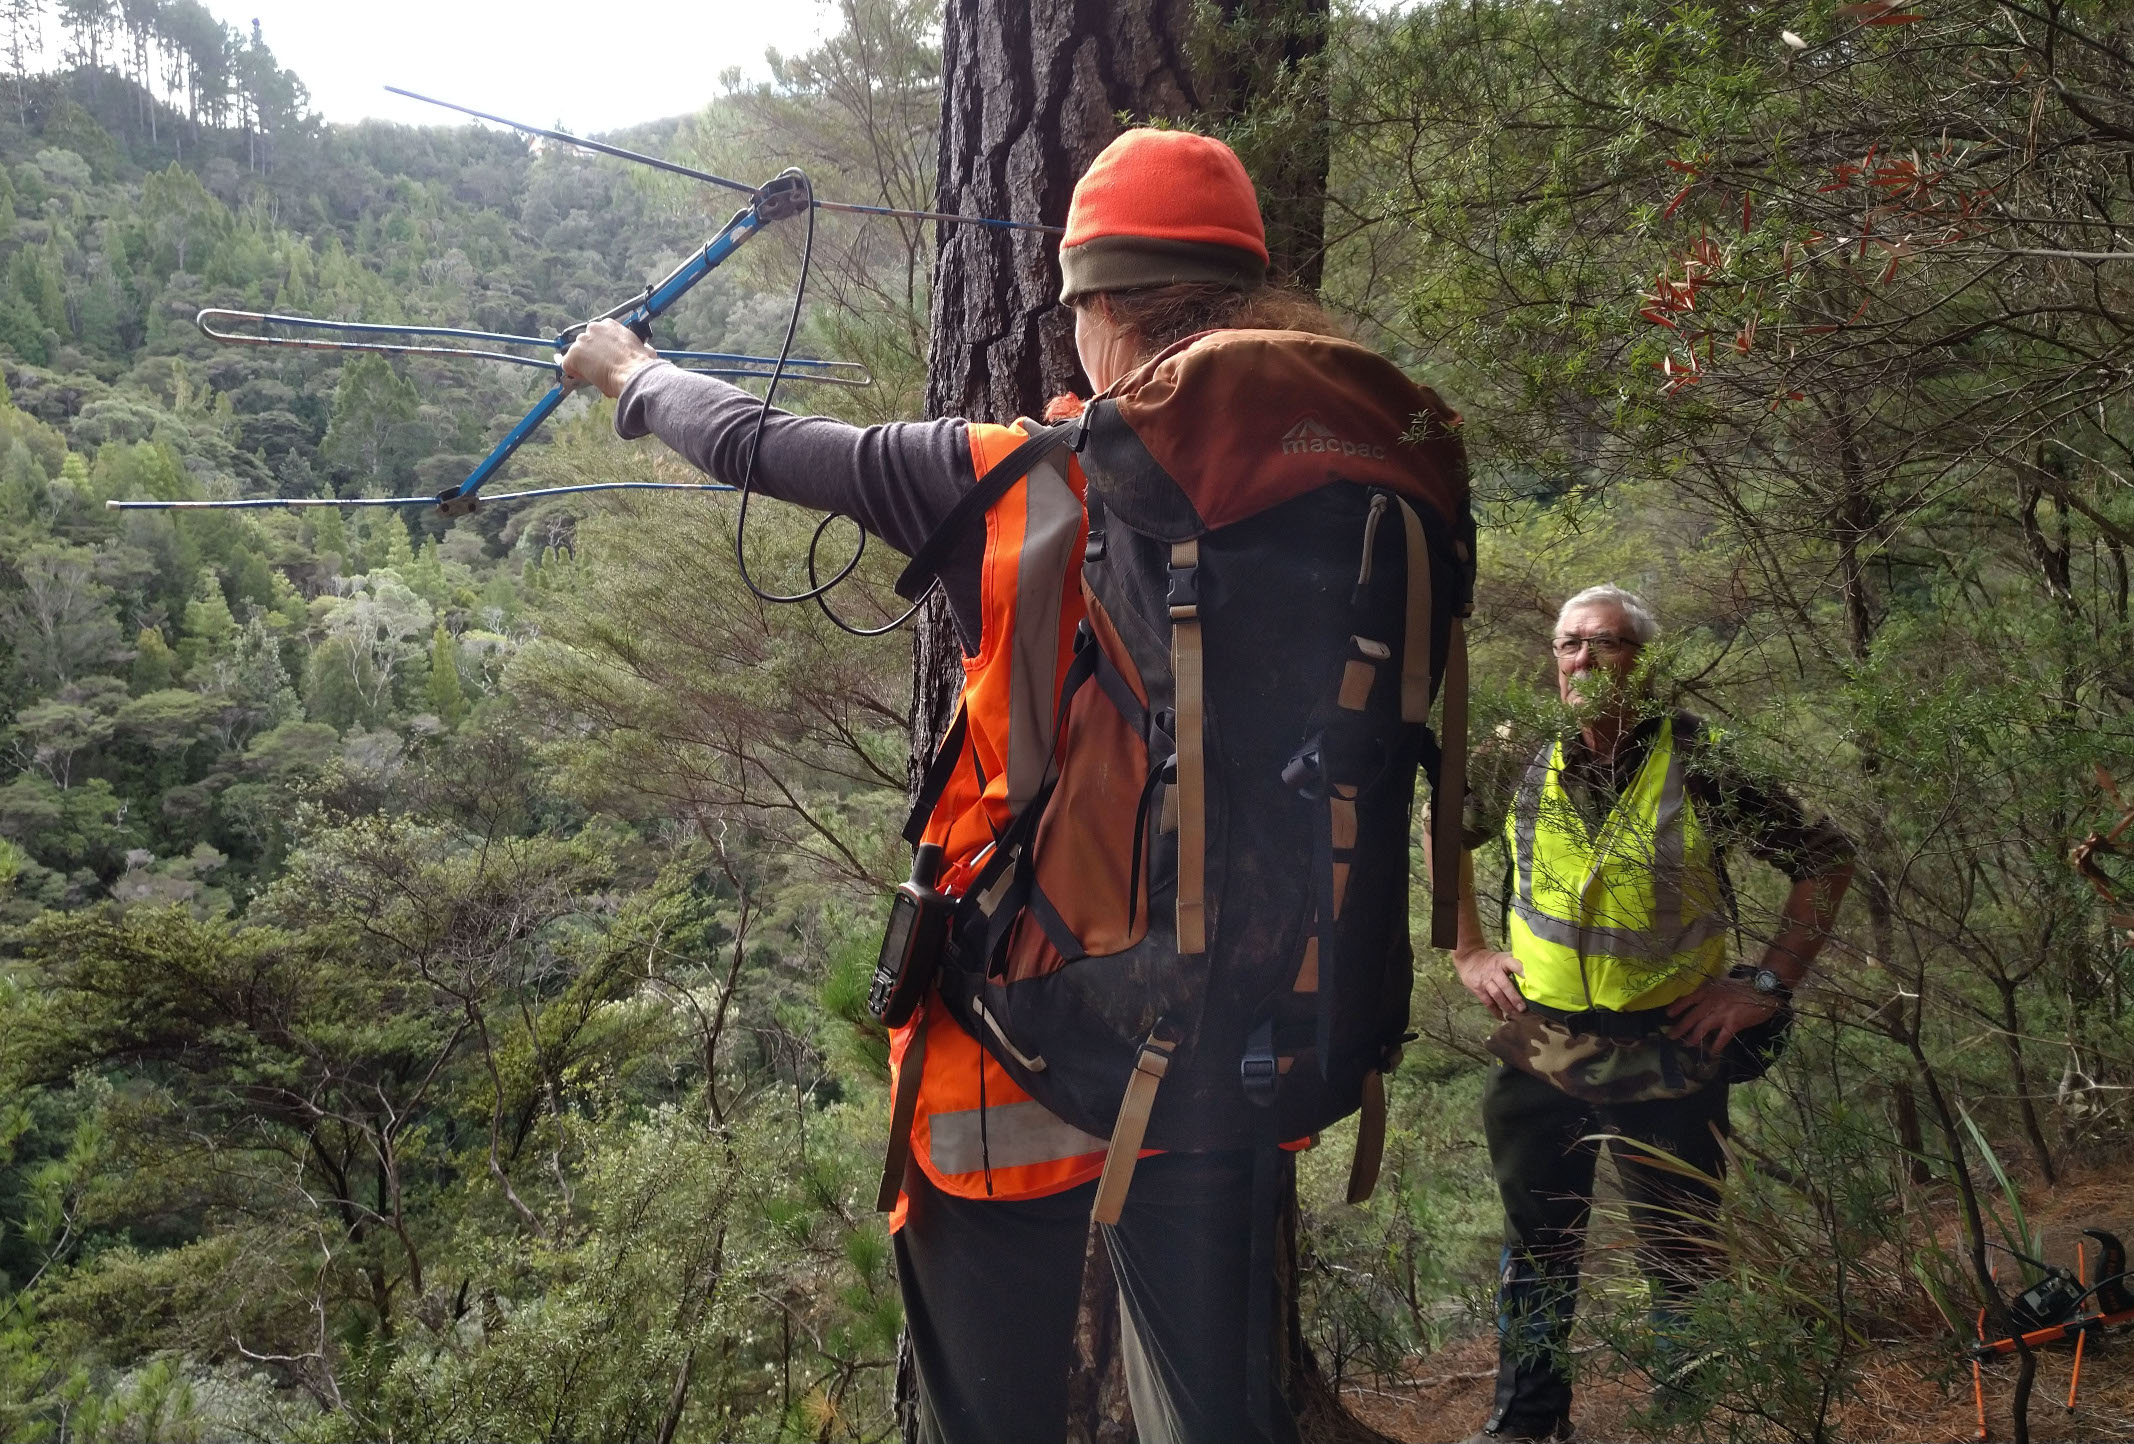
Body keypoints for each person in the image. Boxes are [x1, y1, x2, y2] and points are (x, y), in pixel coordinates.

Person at [561, 129, 1461, 1444]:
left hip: (1016, 1044)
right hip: (1245, 1037)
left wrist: (628, 373)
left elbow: (760, 442)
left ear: (1098, 309)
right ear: (1254, 304)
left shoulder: (1031, 484)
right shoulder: (1367, 488)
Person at [1446, 584, 1854, 1444]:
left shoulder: (1703, 762)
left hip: (1669, 1044)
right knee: (1537, 1245)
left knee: (1680, 1252)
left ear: (1647, 661)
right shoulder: (1514, 754)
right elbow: (1444, 829)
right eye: (1569, 646)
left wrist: (1766, 985)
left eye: (1607, 645)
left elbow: (1823, 857)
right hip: (1541, 1039)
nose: (1584, 662)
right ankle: (1525, 1425)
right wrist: (1468, 952)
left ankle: (1691, 1419)